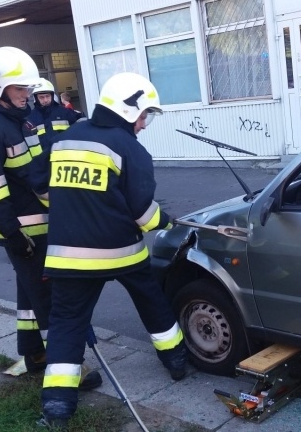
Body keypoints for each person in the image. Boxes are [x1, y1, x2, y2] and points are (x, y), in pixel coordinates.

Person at [40, 72, 187, 428]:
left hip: (67, 256)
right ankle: (177, 362)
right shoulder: (130, 149)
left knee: (66, 324)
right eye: (144, 115)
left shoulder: (65, 139)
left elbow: (47, 192)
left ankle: (58, 405)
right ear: (128, 109)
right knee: (152, 302)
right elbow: (142, 211)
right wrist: (168, 222)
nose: (145, 124)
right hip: (121, 252)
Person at [0, 46, 101, 393]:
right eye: (19, 89)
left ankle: (34, 355)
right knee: (48, 299)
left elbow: (35, 173)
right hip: (22, 232)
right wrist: (13, 236)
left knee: (30, 294)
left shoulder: (22, 120)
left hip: (40, 224)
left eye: (28, 89)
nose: (27, 95)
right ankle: (69, 368)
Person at [26, 79, 84, 153]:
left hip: (65, 157)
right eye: (41, 97)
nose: (45, 100)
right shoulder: (31, 118)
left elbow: (80, 130)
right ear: (36, 98)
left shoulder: (65, 112)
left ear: (52, 96)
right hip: (43, 160)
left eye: (47, 96)